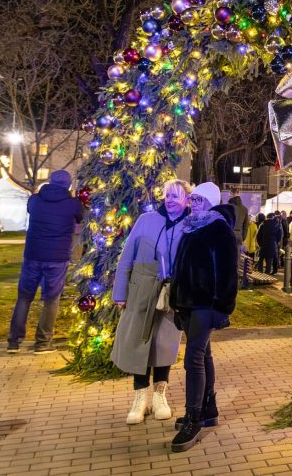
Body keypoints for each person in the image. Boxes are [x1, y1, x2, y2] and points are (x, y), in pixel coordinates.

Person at [111, 179, 190, 424]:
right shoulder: (146, 221)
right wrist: (120, 292)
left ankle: (159, 395)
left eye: (176, 195)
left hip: (170, 291)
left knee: (164, 342)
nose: (170, 199)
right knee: (138, 341)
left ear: (186, 199)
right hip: (141, 290)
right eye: (168, 195)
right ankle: (140, 396)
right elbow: (127, 258)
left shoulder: (190, 225)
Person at [169, 182, 239, 453]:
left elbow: (228, 273)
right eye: (193, 199)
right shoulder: (191, 226)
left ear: (211, 202)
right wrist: (177, 303)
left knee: (193, 358)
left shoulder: (218, 229)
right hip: (187, 304)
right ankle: (209, 408)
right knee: (204, 355)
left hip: (206, 304)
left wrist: (223, 308)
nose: (194, 203)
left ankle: (193, 417)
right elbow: (180, 269)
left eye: (200, 200)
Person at [8, 169, 84, 354]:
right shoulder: (73, 205)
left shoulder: (35, 200)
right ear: (68, 185)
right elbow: (81, 218)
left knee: (24, 297)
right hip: (57, 259)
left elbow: (30, 208)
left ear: (49, 182)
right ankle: (42, 342)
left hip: (33, 255)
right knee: (51, 299)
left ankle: (14, 341)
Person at [226, 190, 249, 288]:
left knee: (225, 259)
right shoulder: (244, 209)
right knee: (236, 260)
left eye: (229, 195)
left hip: (227, 235)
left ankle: (225, 282)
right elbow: (246, 226)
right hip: (238, 236)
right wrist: (242, 237)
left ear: (231, 195)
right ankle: (234, 283)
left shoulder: (228, 207)